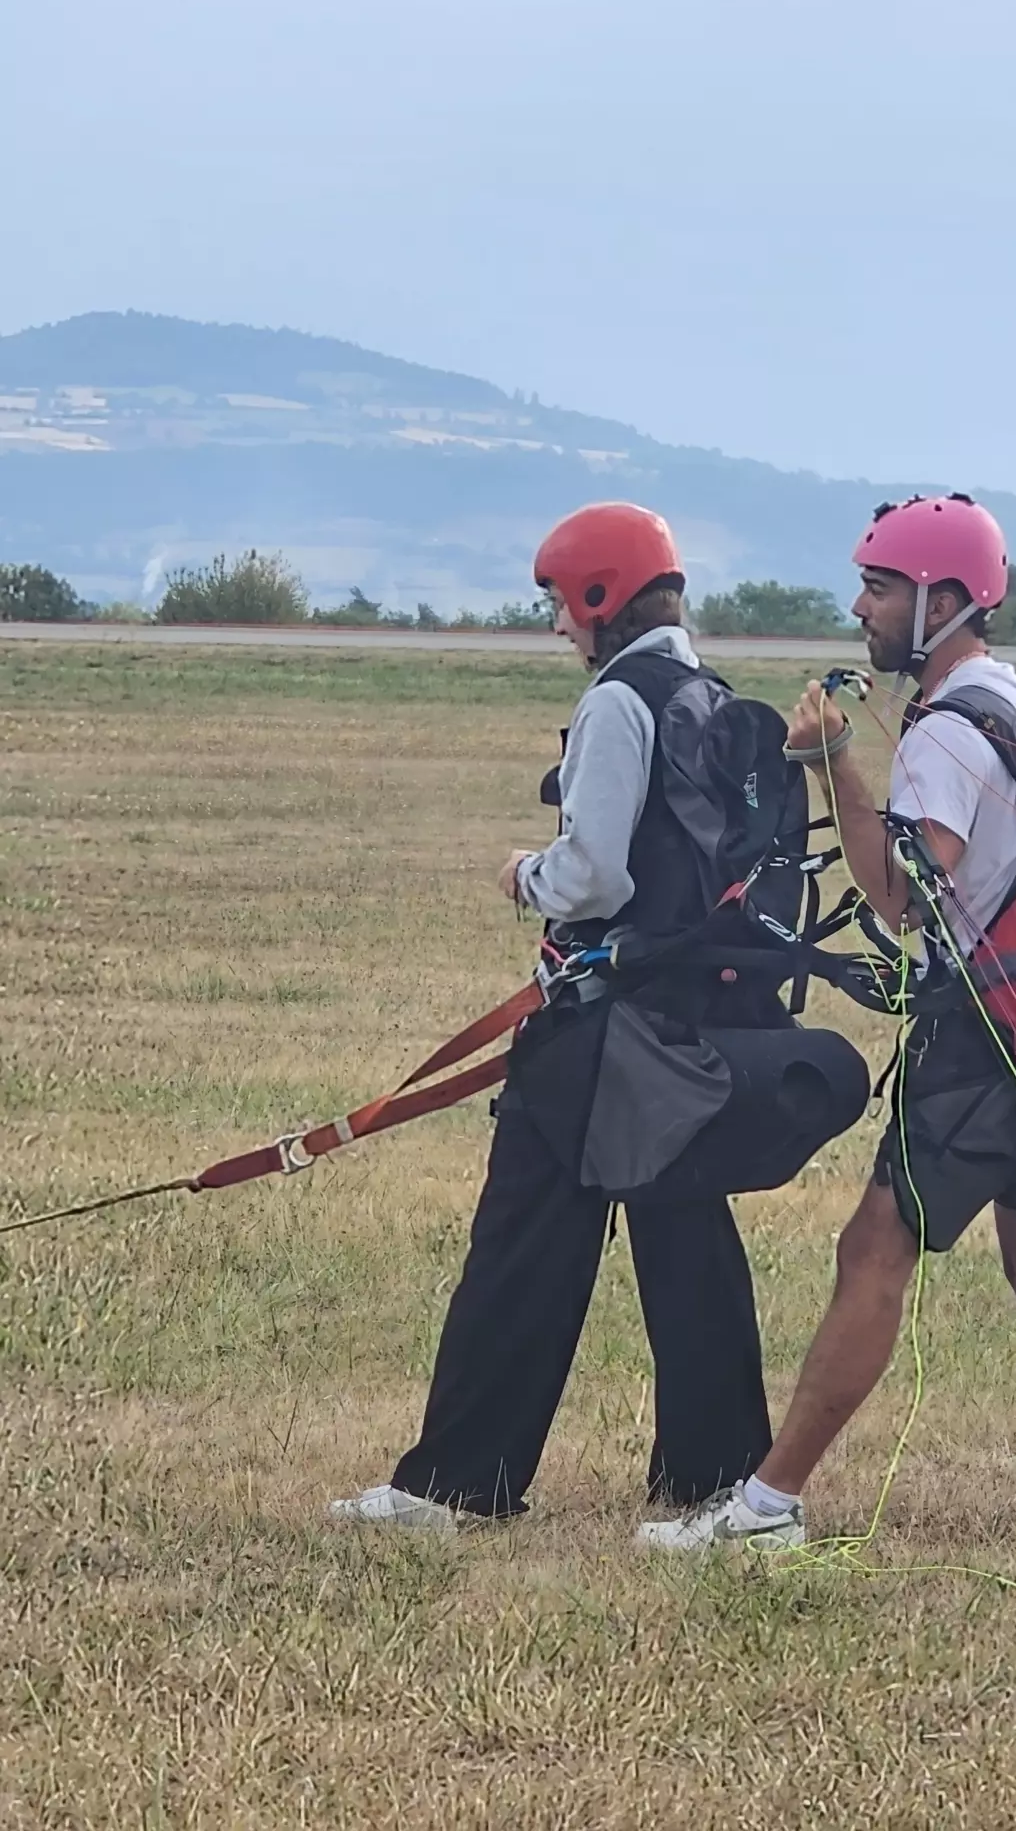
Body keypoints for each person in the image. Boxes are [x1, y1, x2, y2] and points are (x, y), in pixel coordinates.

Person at [640, 493, 1016, 1559]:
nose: (862, 608)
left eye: (880, 589)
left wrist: (830, 759)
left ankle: (768, 1508)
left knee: (873, 1248)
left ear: (940, 601)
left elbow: (895, 894)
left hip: (984, 1041)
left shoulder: (946, 735)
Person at [328, 502, 773, 1530]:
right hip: (681, 1019)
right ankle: (717, 1480)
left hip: (598, 1026)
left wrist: (523, 874)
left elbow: (595, 870)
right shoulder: (706, 695)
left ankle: (457, 1484)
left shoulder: (624, 701)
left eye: (563, 605)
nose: (560, 627)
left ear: (601, 593)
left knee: (525, 1243)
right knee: (686, 1241)